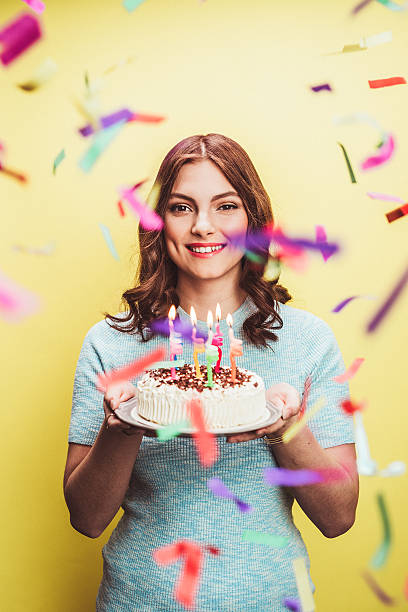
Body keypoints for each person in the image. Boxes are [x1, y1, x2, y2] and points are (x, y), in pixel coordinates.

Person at [63, 133, 359, 611]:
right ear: (159, 222)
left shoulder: (307, 340)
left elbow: (339, 516)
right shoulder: (110, 342)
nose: (204, 226)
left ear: (253, 221)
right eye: (182, 207)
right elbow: (86, 518)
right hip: (139, 601)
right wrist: (120, 427)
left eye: (226, 206)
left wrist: (289, 429)